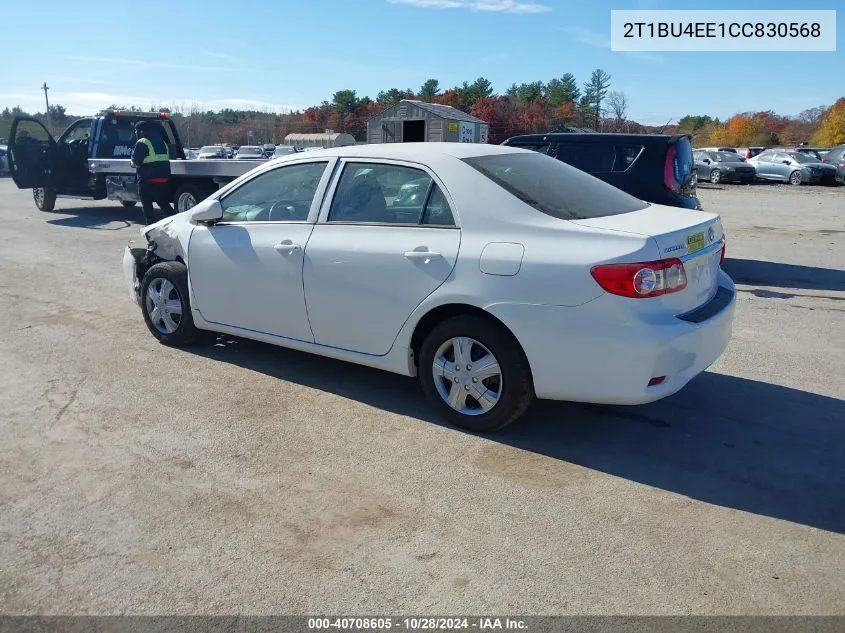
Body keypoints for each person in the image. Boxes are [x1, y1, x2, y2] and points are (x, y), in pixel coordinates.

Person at [130, 120, 173, 224]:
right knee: (163, 202)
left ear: (141, 131)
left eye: (136, 131)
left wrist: (131, 162)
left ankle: (150, 232)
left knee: (147, 205)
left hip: (147, 179)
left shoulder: (143, 142)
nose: (136, 133)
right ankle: (175, 220)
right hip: (163, 178)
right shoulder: (161, 141)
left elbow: (136, 162)